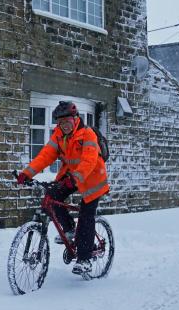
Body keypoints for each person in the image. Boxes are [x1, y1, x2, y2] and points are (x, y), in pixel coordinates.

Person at [16, 101, 110, 276]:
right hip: (73, 175)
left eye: (67, 121)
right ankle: (69, 230)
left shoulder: (87, 134)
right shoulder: (58, 136)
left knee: (86, 214)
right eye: (60, 122)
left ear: (75, 119)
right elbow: (45, 155)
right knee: (52, 197)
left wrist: (75, 179)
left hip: (93, 177)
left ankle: (84, 259)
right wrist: (27, 173)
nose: (64, 125)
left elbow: (89, 160)